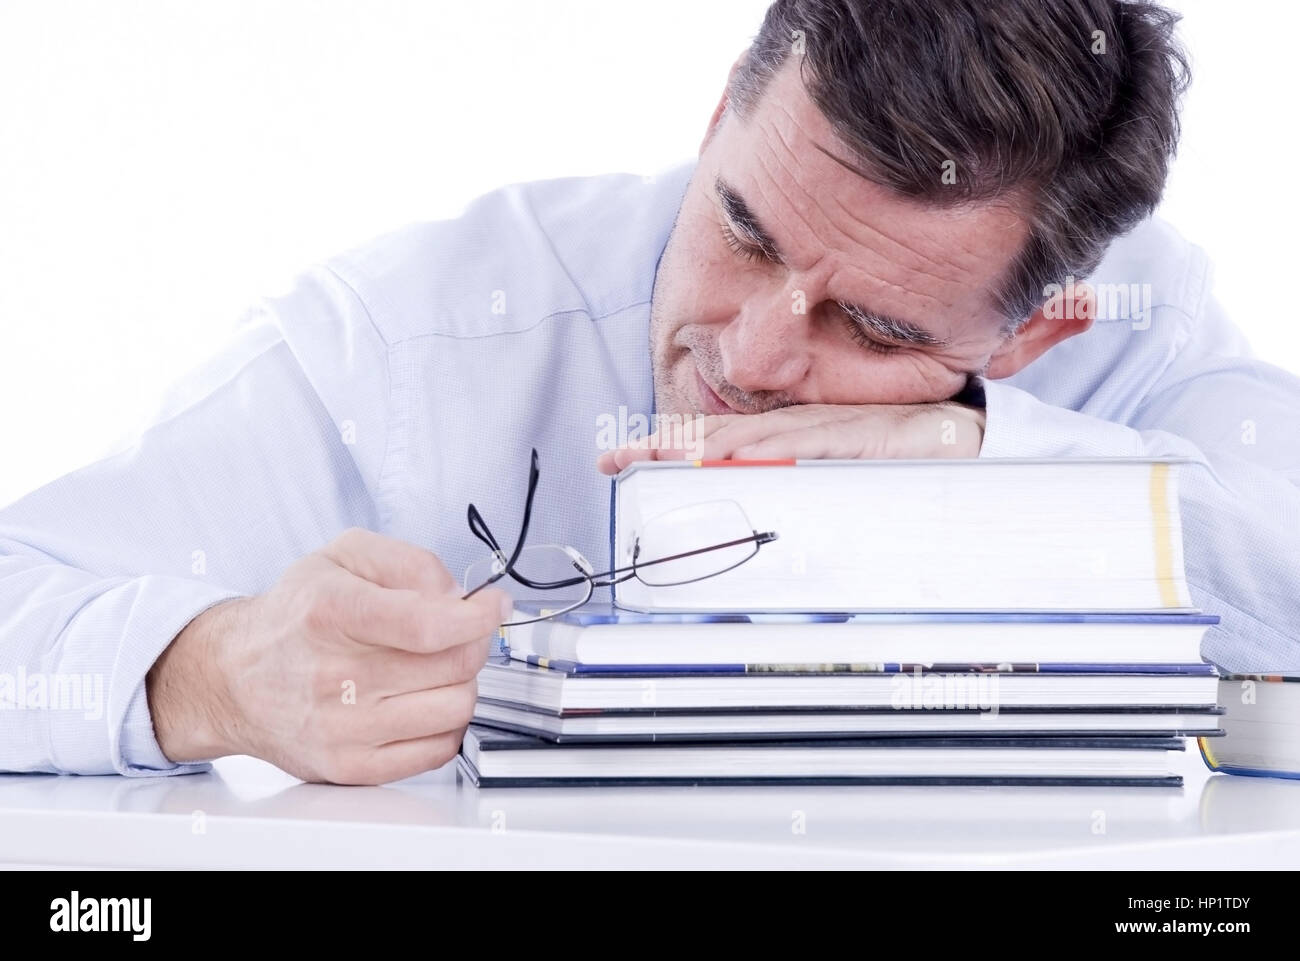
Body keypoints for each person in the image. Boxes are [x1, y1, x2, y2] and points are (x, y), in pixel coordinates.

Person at [2, 0, 1297, 784]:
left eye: (874, 323)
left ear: (1034, 332)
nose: (753, 355)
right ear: (720, 114)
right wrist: (212, 675)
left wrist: (985, 456)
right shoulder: (415, 345)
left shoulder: (1130, 335)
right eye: (744, 229)